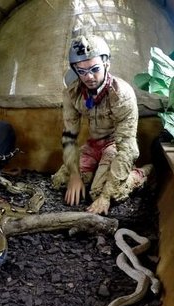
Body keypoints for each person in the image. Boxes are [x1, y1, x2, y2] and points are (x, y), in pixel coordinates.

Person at [51, 34, 152, 215]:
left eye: (94, 69)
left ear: (106, 64)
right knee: (60, 181)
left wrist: (105, 196)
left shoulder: (122, 95)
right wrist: (74, 175)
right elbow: (69, 137)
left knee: (100, 192)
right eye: (81, 71)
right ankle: (92, 174)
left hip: (115, 145)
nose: (89, 77)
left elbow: (128, 148)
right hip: (92, 145)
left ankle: (141, 174)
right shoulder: (72, 93)